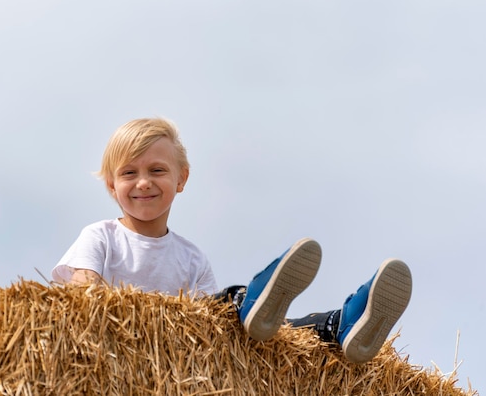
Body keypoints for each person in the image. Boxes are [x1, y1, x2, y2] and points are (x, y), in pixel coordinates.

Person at [51, 117, 412, 364]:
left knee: (268, 331)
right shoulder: (100, 236)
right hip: (127, 350)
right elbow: (85, 295)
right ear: (112, 186)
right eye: (129, 173)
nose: (143, 182)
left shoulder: (190, 258)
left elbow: (207, 333)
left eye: (157, 170)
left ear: (181, 179)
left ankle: (341, 323)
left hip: (183, 351)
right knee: (231, 305)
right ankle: (253, 298)